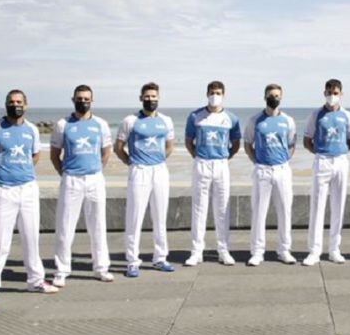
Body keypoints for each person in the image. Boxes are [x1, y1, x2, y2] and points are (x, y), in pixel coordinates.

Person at [0, 89, 57, 306]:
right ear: (5, 104)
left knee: (31, 238)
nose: (15, 105)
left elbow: (35, 154)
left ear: (26, 105)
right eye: (11, 102)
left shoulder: (32, 129)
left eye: (19, 102)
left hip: (28, 189)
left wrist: (22, 171)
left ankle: (36, 280)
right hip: (4, 191)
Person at [50, 84, 114, 286]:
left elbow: (106, 151)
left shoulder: (101, 124)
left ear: (92, 101)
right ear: (73, 99)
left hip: (95, 179)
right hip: (71, 180)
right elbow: (54, 154)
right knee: (65, 226)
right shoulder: (63, 124)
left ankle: (101, 268)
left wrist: (96, 169)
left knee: (98, 225)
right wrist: (65, 173)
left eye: (87, 99)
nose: (83, 102)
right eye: (79, 98)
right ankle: (61, 271)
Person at [115, 82, 175, 277]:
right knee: (135, 217)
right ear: (141, 98)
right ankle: (132, 261)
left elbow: (169, 146)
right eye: (147, 97)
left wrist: (157, 161)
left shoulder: (166, 120)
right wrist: (132, 164)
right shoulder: (130, 121)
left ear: (158, 98)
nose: (150, 100)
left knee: (160, 217)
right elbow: (118, 147)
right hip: (138, 171)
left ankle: (160, 258)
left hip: (159, 171)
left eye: (154, 97)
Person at [184, 80, 242, 267]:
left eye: (218, 92)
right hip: (201, 163)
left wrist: (225, 158)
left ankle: (223, 250)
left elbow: (236, 143)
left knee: (222, 209)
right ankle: (196, 251)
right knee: (199, 208)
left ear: (223, 94)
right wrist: (198, 156)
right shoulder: (196, 116)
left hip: (221, 165)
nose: (214, 95)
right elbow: (188, 141)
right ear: (206, 94)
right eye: (211, 92)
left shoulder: (231, 118)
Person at [302, 78, 350, 265]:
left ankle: (334, 249)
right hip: (322, 161)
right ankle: (314, 251)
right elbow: (307, 140)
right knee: (317, 206)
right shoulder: (316, 115)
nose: (332, 96)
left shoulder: (348, 116)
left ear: (341, 94)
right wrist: (320, 152)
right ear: (324, 92)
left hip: (341, 161)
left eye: (335, 93)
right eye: (329, 92)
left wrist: (338, 152)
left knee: (338, 206)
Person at [244, 83, 298, 265]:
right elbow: (248, 144)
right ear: (265, 96)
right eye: (270, 95)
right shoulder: (255, 121)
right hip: (262, 170)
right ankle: (257, 252)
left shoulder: (288, 121)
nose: (273, 98)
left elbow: (291, 145)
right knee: (259, 212)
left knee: (285, 211)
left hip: (282, 170)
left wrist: (284, 161)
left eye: (276, 95)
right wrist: (257, 161)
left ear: (281, 97)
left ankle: (284, 250)